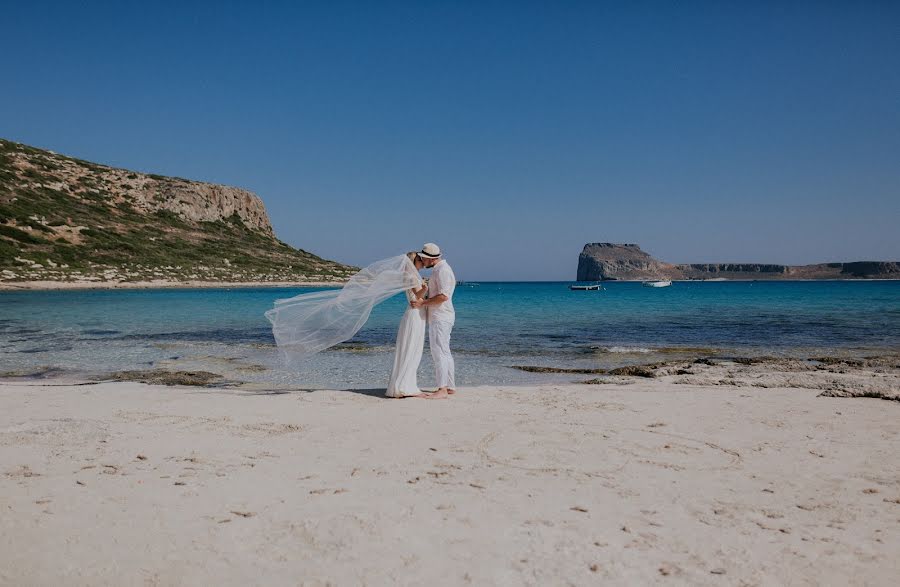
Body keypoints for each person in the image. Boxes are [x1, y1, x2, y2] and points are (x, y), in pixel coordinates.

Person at [411, 243, 456, 399]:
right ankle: (449, 386)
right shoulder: (439, 270)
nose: (422, 260)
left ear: (431, 259)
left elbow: (443, 296)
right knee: (444, 351)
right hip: (441, 316)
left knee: (439, 352)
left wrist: (422, 303)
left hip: (441, 316)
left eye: (423, 258)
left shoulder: (443, 271)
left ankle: (442, 388)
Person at [385, 253, 428, 398]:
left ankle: (402, 385)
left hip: (414, 313)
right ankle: (405, 386)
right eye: (419, 259)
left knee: (410, 349)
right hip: (415, 314)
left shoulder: (411, 275)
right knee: (412, 349)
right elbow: (418, 296)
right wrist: (426, 288)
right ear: (412, 262)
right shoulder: (412, 276)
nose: (422, 261)